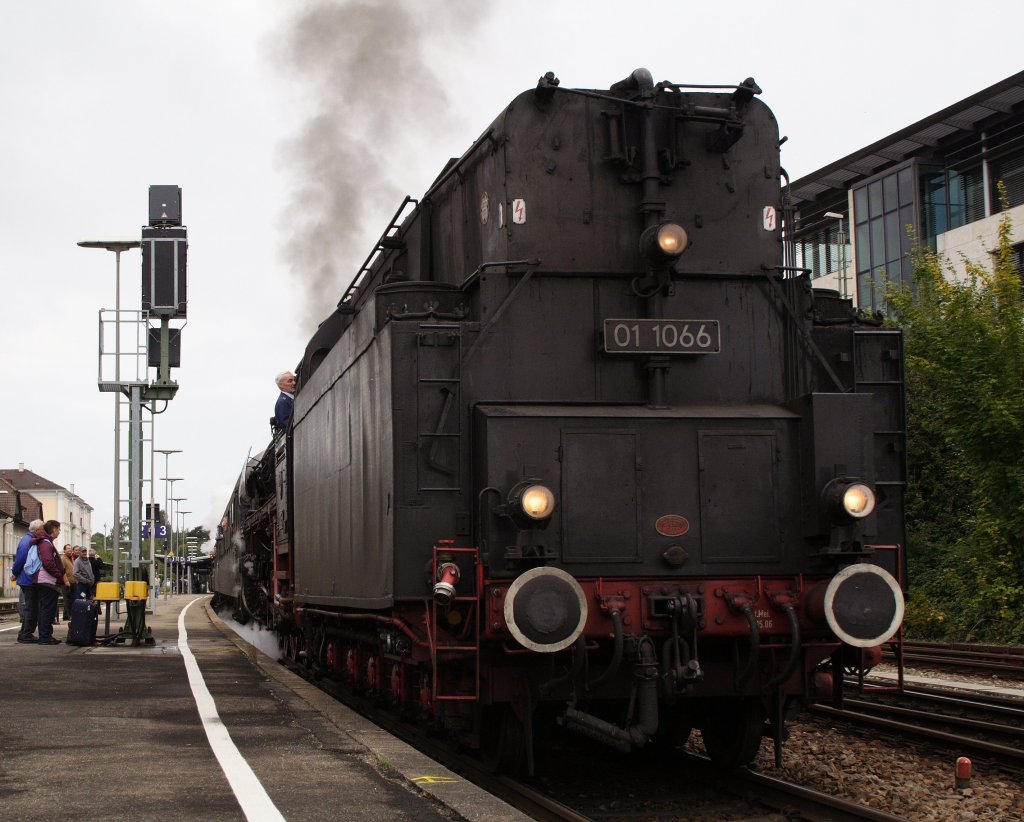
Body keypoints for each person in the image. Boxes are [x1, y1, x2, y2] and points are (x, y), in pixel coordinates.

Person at [11, 519, 46, 643]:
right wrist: (15, 573)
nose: (44, 531)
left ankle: (24, 633)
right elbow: (19, 560)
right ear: (37, 530)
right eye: (43, 529)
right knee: (31, 608)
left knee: (31, 607)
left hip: (28, 578)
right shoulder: (28, 542)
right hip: (28, 579)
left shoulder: (29, 540)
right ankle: (26, 634)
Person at [31, 520, 64, 645]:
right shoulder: (46, 544)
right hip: (47, 581)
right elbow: (48, 563)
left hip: (45, 581)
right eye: (58, 529)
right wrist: (59, 575)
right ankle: (45, 637)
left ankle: (46, 635)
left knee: (46, 609)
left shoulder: (46, 542)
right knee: (47, 610)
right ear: (54, 529)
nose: (59, 531)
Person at [60, 544, 75, 621]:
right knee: (67, 600)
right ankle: (68, 615)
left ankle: (66, 615)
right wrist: (66, 581)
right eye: (68, 549)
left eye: (70, 548)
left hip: (72, 582)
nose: (70, 550)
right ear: (64, 550)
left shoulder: (71, 559)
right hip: (66, 582)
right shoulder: (63, 559)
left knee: (70, 599)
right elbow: (62, 571)